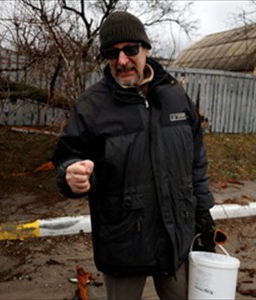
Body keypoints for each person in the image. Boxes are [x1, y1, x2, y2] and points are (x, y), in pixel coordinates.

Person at [51, 11, 216, 299]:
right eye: (112, 53)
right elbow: (68, 156)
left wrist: (204, 211)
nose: (122, 60)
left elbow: (196, 157)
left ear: (146, 49)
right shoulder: (92, 106)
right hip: (124, 242)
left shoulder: (175, 95)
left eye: (130, 49)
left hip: (176, 236)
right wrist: (70, 175)